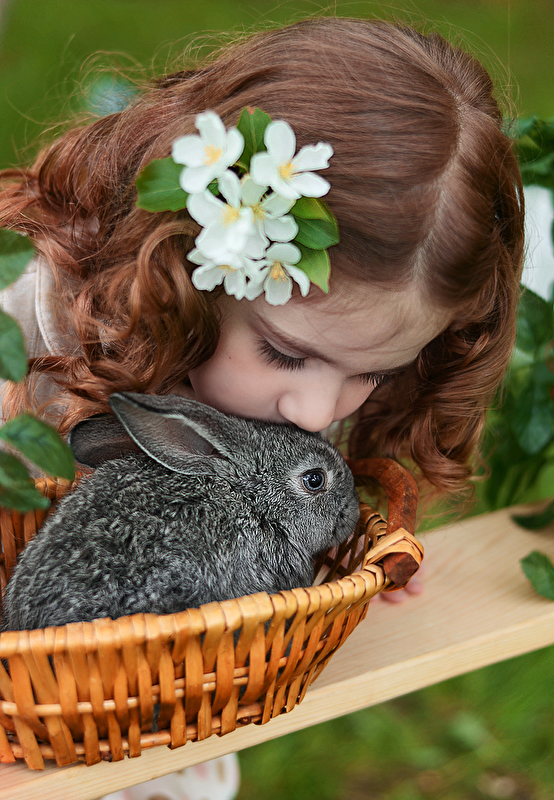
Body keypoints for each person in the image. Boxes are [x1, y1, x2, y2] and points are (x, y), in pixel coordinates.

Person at [0, 16, 524, 800]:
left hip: (171, 728)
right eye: (283, 353)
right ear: (190, 266)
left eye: (374, 374)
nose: (317, 412)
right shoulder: (29, 338)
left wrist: (342, 555)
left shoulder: (297, 384)